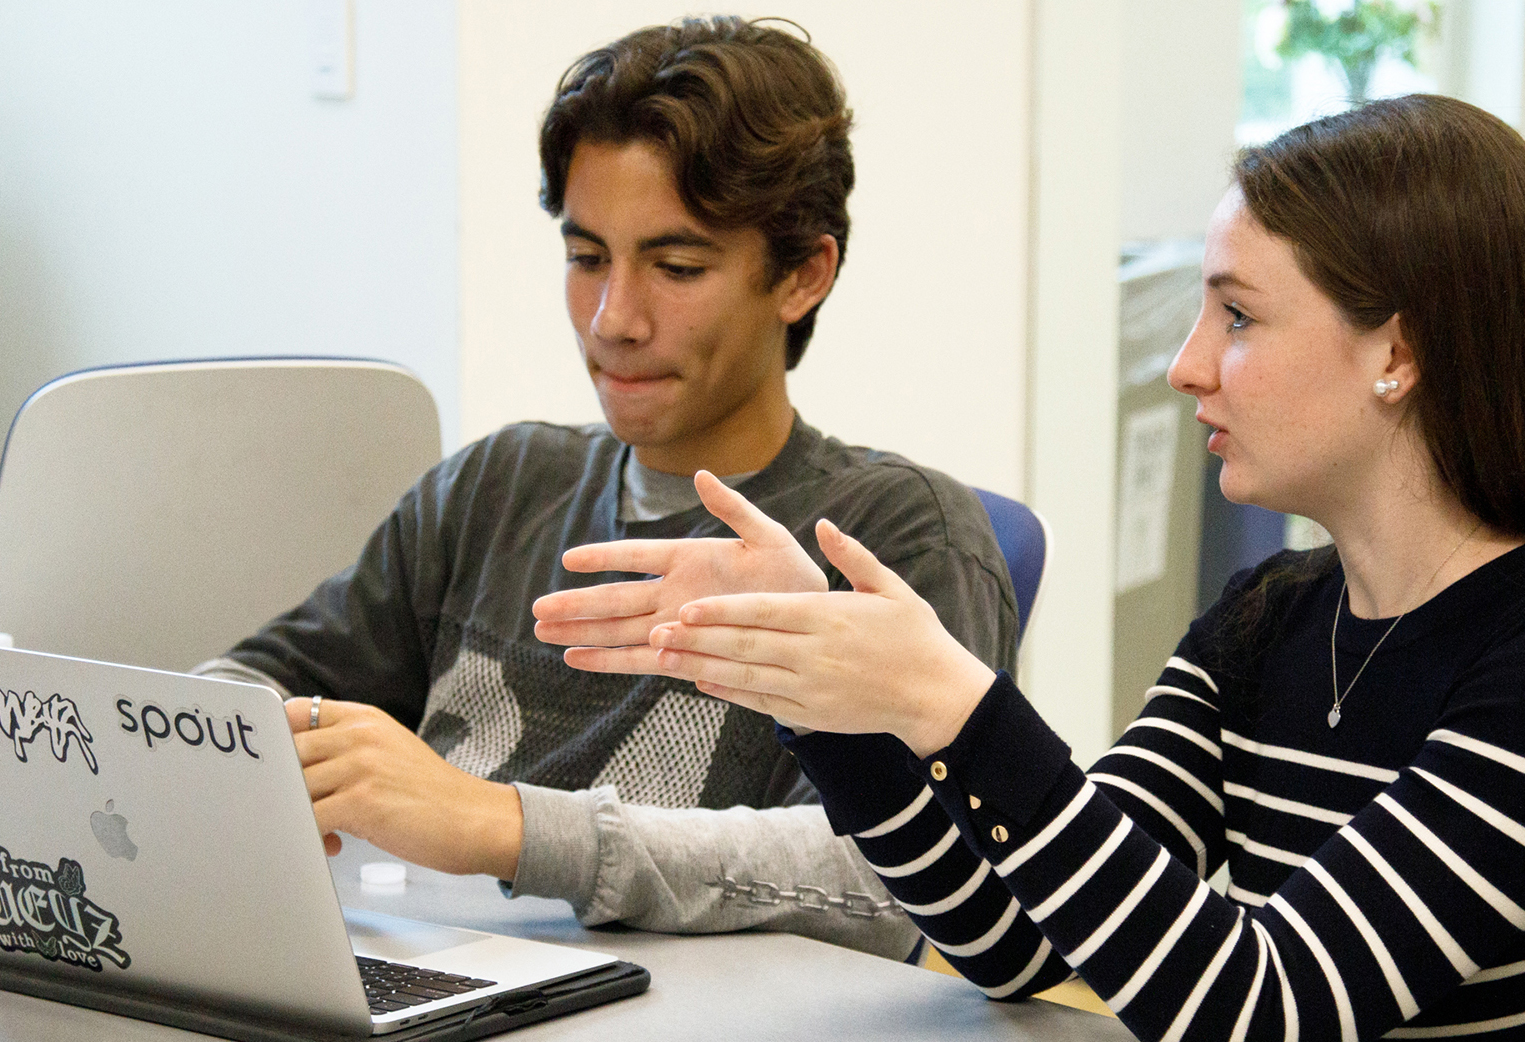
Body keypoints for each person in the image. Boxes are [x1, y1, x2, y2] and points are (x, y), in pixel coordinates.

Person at [541, 95, 1525, 1039]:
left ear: (1400, 354)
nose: (1186, 361)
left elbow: (1269, 1002)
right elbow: (1015, 939)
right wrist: (826, 697)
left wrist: (952, 704)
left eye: (1240, 317)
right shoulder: (1272, 616)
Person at [193, 15, 1016, 962]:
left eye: (676, 268)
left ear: (802, 275)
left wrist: (505, 826)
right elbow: (246, 693)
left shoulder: (896, 536)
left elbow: (887, 883)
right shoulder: (495, 486)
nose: (612, 319)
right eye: (586, 258)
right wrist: (221, 745)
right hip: (420, 978)